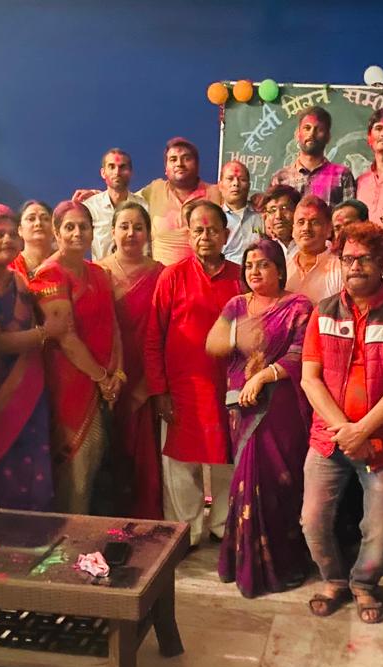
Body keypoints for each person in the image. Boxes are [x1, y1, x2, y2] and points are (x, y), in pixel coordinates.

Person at [300, 221, 383, 624]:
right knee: (312, 520)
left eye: (366, 258)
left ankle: (364, 584)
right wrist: (346, 431)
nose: (355, 266)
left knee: (380, 529)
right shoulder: (323, 311)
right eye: (349, 258)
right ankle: (334, 580)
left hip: (382, 442)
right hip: (328, 439)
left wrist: (363, 430)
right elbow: (310, 379)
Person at [205, 239, 313, 596]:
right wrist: (238, 333)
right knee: (246, 480)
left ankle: (283, 564)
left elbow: (301, 353)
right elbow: (212, 344)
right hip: (243, 407)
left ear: (280, 270)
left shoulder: (299, 306)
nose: (254, 270)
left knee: (279, 484)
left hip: (280, 407)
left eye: (263, 264)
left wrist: (264, 376)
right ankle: (245, 564)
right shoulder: (236, 305)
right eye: (249, 265)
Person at [145, 200, 242, 546]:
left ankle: (223, 527)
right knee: (180, 465)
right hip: (181, 390)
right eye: (198, 230)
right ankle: (185, 533)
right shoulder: (172, 277)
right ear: (188, 235)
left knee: (227, 461)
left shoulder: (240, 277)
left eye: (213, 230)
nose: (205, 237)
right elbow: (153, 337)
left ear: (226, 235)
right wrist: (159, 391)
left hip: (227, 388)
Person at [29, 201, 123, 515]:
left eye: (84, 227)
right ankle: (70, 535)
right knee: (76, 473)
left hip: (104, 383)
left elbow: (113, 325)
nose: (77, 233)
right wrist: (102, 378)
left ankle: (89, 533)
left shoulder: (99, 272)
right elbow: (66, 338)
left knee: (98, 468)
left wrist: (117, 374)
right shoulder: (49, 275)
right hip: (69, 386)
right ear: (56, 233)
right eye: (69, 227)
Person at [0, 204, 63, 511]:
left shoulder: (18, 280)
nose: (7, 240)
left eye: (11, 234)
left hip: (29, 392)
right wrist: (47, 333)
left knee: (32, 470)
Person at [98, 202, 164, 520]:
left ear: (148, 234)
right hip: (107, 376)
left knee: (146, 455)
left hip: (148, 378)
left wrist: (150, 384)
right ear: (112, 232)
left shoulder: (162, 274)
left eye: (138, 227)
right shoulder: (97, 273)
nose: (131, 233)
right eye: (124, 226)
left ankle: (148, 524)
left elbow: (168, 333)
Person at [138, 137, 222, 266]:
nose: (179, 164)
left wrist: (256, 200)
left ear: (197, 165)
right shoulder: (155, 189)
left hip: (203, 275)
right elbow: (125, 199)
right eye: (173, 159)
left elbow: (240, 205)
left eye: (186, 158)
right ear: (166, 168)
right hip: (162, 276)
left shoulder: (216, 193)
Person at [270, 106, 356, 206]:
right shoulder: (280, 179)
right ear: (297, 134)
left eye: (319, 129)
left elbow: (350, 214)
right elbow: (272, 213)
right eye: (307, 128)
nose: (311, 134)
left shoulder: (342, 175)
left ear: (328, 137)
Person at [82, 149, 148, 261]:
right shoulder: (90, 207)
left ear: (130, 172)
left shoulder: (144, 207)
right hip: (100, 270)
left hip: (137, 270)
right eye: (111, 167)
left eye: (122, 167)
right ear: (103, 173)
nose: (117, 172)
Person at [285, 194, 342, 302]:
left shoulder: (340, 269)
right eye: (301, 222)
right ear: (293, 230)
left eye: (315, 222)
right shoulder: (283, 268)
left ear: (329, 229)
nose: (306, 228)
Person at [219, 160, 263, 265]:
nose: (236, 183)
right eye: (230, 179)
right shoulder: (216, 219)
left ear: (249, 185)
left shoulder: (261, 214)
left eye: (242, 179)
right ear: (220, 185)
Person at [11, 200, 53, 281]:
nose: (38, 223)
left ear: (54, 228)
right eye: (31, 219)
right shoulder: (9, 267)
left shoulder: (65, 267)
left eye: (45, 219)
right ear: (20, 230)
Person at [262, 184, 301, 259]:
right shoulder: (263, 251)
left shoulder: (312, 245)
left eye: (284, 208)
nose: (278, 216)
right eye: (273, 210)